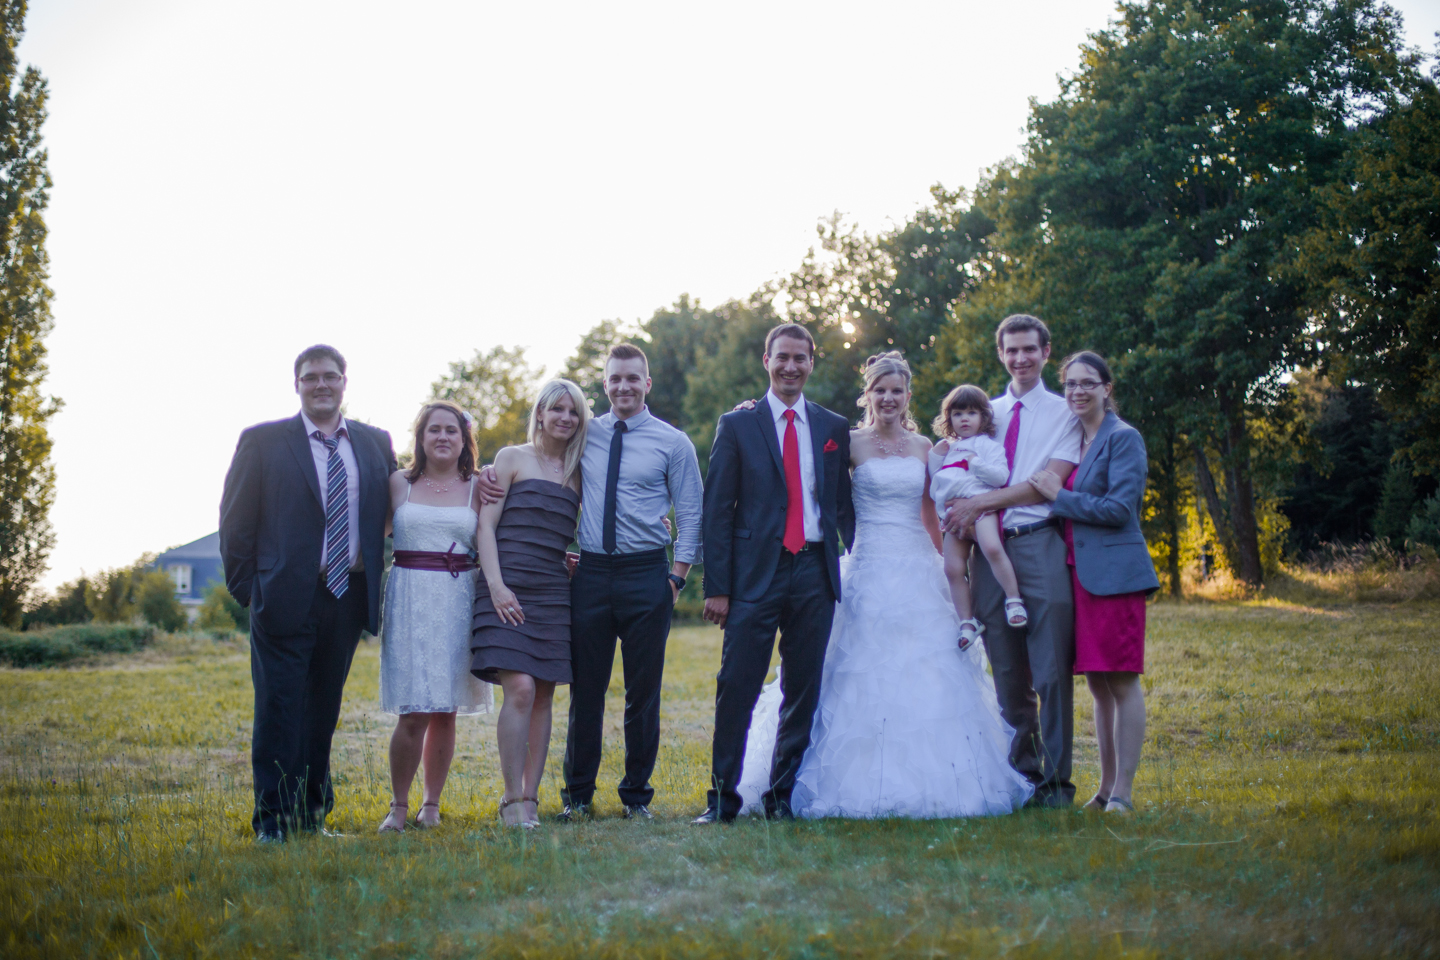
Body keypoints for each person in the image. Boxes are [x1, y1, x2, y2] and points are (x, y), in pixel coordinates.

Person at [736, 352, 1033, 818]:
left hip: (917, 566)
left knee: (927, 670)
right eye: (880, 390)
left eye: (897, 391)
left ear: (908, 395)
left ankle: (942, 779)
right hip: (866, 564)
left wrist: (948, 565)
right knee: (844, 671)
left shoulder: (926, 448)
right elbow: (805, 470)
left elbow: (933, 512)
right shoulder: (847, 442)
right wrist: (752, 412)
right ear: (868, 395)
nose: (888, 398)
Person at [477, 345, 704, 822]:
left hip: (647, 574)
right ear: (605, 385)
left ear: (647, 384)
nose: (624, 386)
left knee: (643, 693)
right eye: (615, 379)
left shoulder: (673, 442)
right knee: (586, 691)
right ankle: (577, 796)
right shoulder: (585, 435)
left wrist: (676, 578)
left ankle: (636, 797)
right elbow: (538, 467)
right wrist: (482, 476)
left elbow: (691, 513)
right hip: (591, 575)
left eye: (633, 378)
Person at [219, 344, 397, 843]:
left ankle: (311, 818)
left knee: (322, 713)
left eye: (330, 376)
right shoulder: (262, 441)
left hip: (346, 597)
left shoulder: (374, 442)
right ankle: (273, 822)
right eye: (311, 377)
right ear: (297, 384)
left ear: (344, 382)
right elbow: (235, 523)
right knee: (279, 711)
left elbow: (400, 502)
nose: (321, 384)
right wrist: (250, 591)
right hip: (281, 598)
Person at [694, 323, 856, 824]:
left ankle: (781, 797)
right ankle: (722, 800)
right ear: (766, 360)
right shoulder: (737, 424)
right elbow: (717, 511)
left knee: (802, 690)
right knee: (736, 686)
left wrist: (863, 561)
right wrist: (718, 587)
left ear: (811, 362)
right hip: (753, 576)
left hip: (814, 571)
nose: (790, 366)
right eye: (781, 357)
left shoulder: (832, 427)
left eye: (799, 358)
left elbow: (843, 506)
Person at [942, 314, 1082, 808]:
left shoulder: (1065, 413)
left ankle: (1057, 784)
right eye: (1012, 350)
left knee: (1050, 671)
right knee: (1006, 671)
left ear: (1046, 352)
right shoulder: (986, 412)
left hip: (1037, 541)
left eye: (1029, 349)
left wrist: (979, 503)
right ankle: (1024, 779)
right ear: (1000, 354)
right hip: (986, 550)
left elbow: (1049, 483)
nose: (1020, 358)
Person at [1028, 351, 1158, 814]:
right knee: (1098, 686)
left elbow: (1120, 509)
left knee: (1121, 680)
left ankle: (1123, 792)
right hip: (1076, 575)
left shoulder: (1123, 438)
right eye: (1070, 384)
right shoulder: (1073, 439)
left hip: (1114, 577)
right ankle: (1103, 790)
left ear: (1107, 388)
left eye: (1087, 383)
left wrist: (1059, 497)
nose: (1077, 391)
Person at [471, 379, 588, 828]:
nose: (565, 417)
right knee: (519, 688)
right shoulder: (511, 458)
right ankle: (510, 798)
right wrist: (496, 586)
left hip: (553, 590)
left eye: (573, 411)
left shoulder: (579, 470)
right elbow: (486, 525)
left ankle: (532, 799)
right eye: (556, 408)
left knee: (543, 694)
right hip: (505, 585)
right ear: (539, 412)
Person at [376, 401, 492, 834]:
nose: (443, 437)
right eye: (434, 430)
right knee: (414, 709)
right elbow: (367, 533)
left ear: (464, 440)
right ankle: (398, 806)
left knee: (445, 708)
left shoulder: (480, 486)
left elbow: (502, 536)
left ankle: (431, 804)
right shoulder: (398, 484)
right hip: (410, 600)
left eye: (451, 431)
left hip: (458, 600)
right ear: (421, 438)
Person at [929, 385, 1026, 651]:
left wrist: (974, 462)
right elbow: (936, 479)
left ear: (983, 417)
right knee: (952, 568)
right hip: (952, 516)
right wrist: (935, 455)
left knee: (992, 547)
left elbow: (1000, 477)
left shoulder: (987, 446)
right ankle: (967, 622)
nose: (964, 419)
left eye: (971, 413)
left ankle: (1014, 599)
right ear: (949, 419)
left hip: (981, 506)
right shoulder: (949, 448)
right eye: (958, 413)